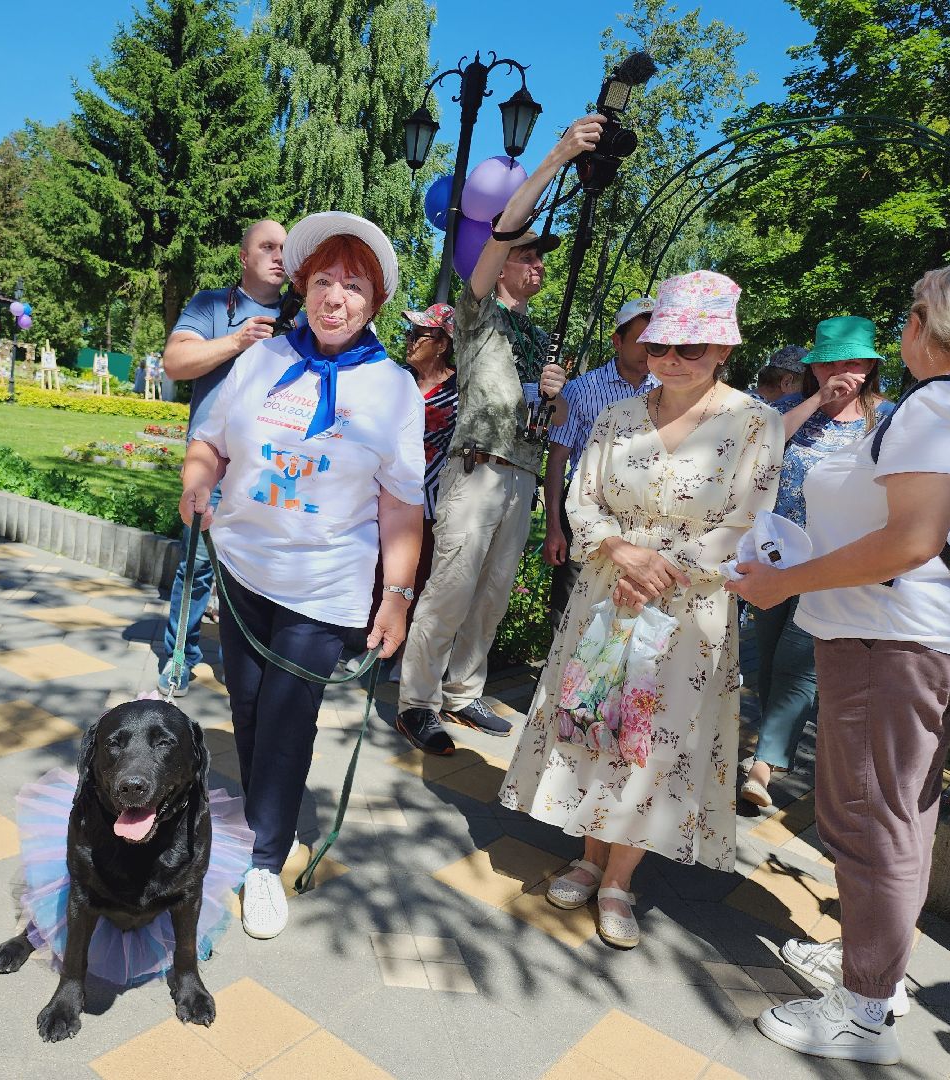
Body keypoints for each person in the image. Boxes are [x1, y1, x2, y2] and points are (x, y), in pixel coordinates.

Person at [728, 261, 950, 1066]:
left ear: (926, 327)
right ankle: (873, 967)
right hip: (929, 641)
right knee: (903, 817)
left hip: (894, 639)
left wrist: (783, 583)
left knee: (873, 821)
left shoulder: (942, 405)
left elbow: (908, 540)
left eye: (911, 313)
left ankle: (864, 1008)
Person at [499, 269, 785, 949]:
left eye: (691, 349)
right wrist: (622, 555)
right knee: (595, 717)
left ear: (723, 350)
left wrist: (663, 572)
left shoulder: (754, 422)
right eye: (661, 347)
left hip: (689, 610)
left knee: (656, 741)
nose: (672, 361)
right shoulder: (618, 413)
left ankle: (620, 876)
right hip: (607, 589)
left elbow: (749, 518)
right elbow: (582, 498)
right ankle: (588, 854)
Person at [180, 211, 424, 940]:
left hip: (325, 588)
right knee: (248, 709)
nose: (336, 298)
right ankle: (265, 823)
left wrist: (399, 595)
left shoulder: (393, 389)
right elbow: (210, 442)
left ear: (374, 301)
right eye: (324, 281)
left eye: (354, 286)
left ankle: (262, 859)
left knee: (289, 721)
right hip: (245, 570)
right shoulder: (259, 359)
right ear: (304, 287)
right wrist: (196, 482)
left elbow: (402, 506)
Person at [395, 115, 604, 756]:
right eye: (528, 256)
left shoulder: (541, 335)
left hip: (519, 476)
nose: (538, 266)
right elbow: (503, 225)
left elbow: (554, 419)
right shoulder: (476, 310)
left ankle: (463, 691)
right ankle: (416, 702)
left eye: (543, 260)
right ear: (502, 261)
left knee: (492, 593)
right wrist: (559, 157)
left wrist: (554, 400)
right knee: (452, 586)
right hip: (477, 468)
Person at [740, 316, 894, 809]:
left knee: (797, 659)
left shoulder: (887, 420)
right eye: (830, 360)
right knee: (766, 654)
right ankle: (770, 745)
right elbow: (759, 452)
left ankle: (763, 763)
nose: (840, 370)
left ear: (870, 366)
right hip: (775, 554)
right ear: (814, 365)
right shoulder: (788, 408)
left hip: (833, 559)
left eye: (852, 360)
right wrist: (816, 401)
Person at [156, 219, 287, 696]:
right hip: (210, 458)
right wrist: (238, 340)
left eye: (285, 250)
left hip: (269, 464)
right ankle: (179, 656)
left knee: (255, 565)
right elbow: (175, 362)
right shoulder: (213, 305)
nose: (278, 256)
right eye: (267, 247)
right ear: (243, 257)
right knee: (197, 563)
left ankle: (245, 658)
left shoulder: (303, 312)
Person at [543, 297, 658, 632]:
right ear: (618, 341)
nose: (650, 349)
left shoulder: (666, 392)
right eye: (642, 339)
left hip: (642, 519)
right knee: (572, 608)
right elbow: (558, 459)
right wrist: (553, 527)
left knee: (628, 610)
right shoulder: (582, 390)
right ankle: (559, 681)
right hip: (586, 512)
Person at [380, 303, 458, 681]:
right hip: (384, 493)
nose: (409, 341)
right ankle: (374, 644)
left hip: (431, 499)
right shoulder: (396, 381)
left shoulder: (461, 391)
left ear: (442, 343)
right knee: (381, 567)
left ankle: (404, 654)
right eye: (408, 333)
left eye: (419, 335)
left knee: (418, 575)